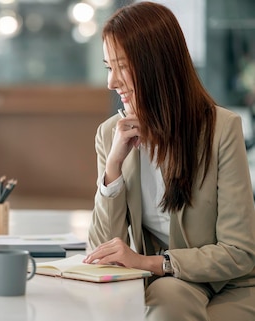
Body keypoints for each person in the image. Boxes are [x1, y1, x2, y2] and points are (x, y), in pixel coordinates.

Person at [83, 2, 255, 320]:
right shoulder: (111, 135)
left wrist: (153, 262)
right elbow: (102, 250)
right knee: (167, 299)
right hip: (171, 285)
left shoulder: (221, 129)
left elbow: (240, 252)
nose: (112, 82)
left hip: (231, 285)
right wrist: (113, 169)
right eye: (109, 67)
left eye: (121, 66)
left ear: (156, 65)